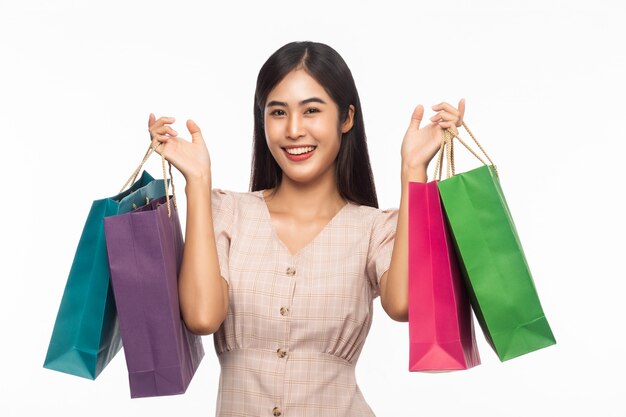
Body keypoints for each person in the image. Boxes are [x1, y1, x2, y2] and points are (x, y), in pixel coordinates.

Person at [147, 41, 465, 417]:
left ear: (346, 118)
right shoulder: (228, 212)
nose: (294, 130)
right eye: (278, 112)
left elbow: (404, 305)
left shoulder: (375, 228)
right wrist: (197, 183)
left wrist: (413, 170)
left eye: (311, 110)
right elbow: (202, 317)